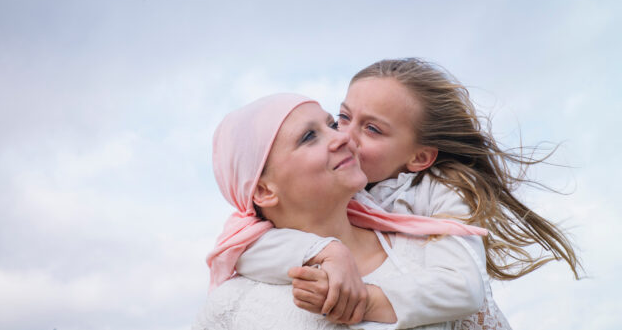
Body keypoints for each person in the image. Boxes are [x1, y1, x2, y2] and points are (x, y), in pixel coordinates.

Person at [236, 58, 582, 329]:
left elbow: (461, 287)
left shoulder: (441, 191)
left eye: (372, 129)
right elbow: (244, 246)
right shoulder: (335, 188)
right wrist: (327, 252)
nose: (344, 136)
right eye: (342, 117)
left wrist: (368, 302)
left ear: (418, 158)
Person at [194, 93, 488, 330]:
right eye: (309, 136)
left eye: (332, 125)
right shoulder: (232, 307)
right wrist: (327, 250)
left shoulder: (428, 240)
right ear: (263, 191)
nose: (344, 137)